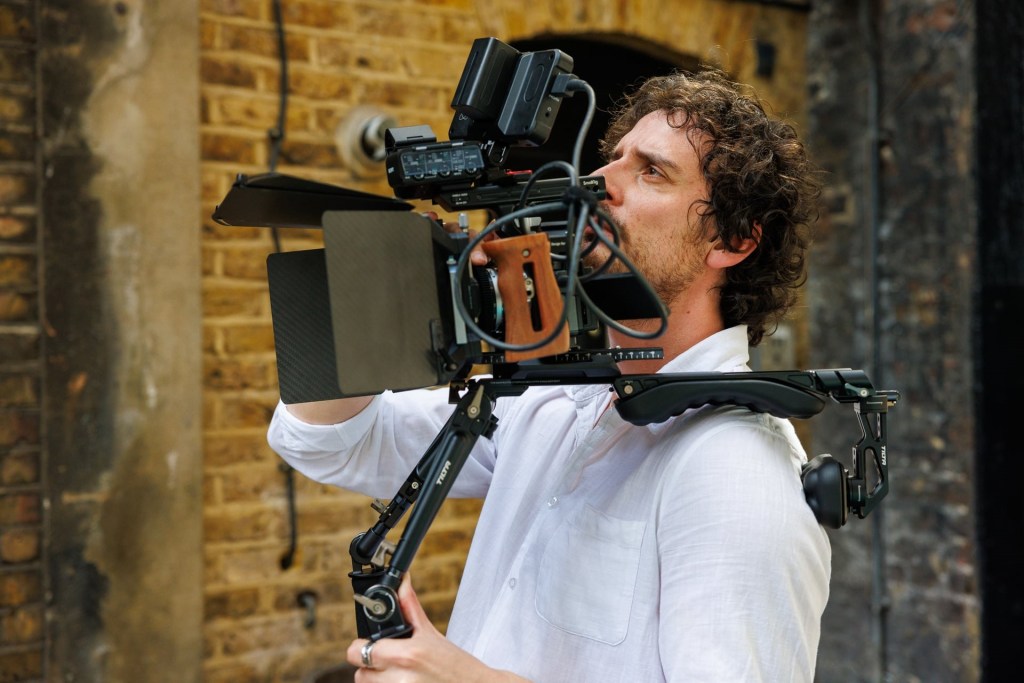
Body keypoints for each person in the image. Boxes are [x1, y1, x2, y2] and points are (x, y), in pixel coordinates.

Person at [267, 67, 828, 682]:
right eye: (611, 160)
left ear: (733, 239)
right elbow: (330, 443)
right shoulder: (558, 397)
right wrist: (376, 291)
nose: (596, 183)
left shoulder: (735, 469)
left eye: (651, 171)